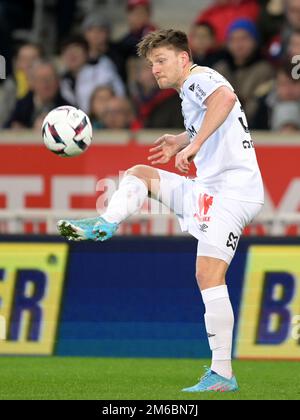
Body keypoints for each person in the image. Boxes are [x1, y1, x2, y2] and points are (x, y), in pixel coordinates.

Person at [57, 29, 264, 393]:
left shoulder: (200, 78)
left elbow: (227, 98)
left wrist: (194, 144)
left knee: (208, 274)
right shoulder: (190, 92)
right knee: (140, 175)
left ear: (183, 59)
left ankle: (223, 373)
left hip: (234, 192)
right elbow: (215, 113)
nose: (154, 69)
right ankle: (107, 222)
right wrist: (183, 138)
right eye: (151, 63)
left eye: (161, 60)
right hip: (211, 189)